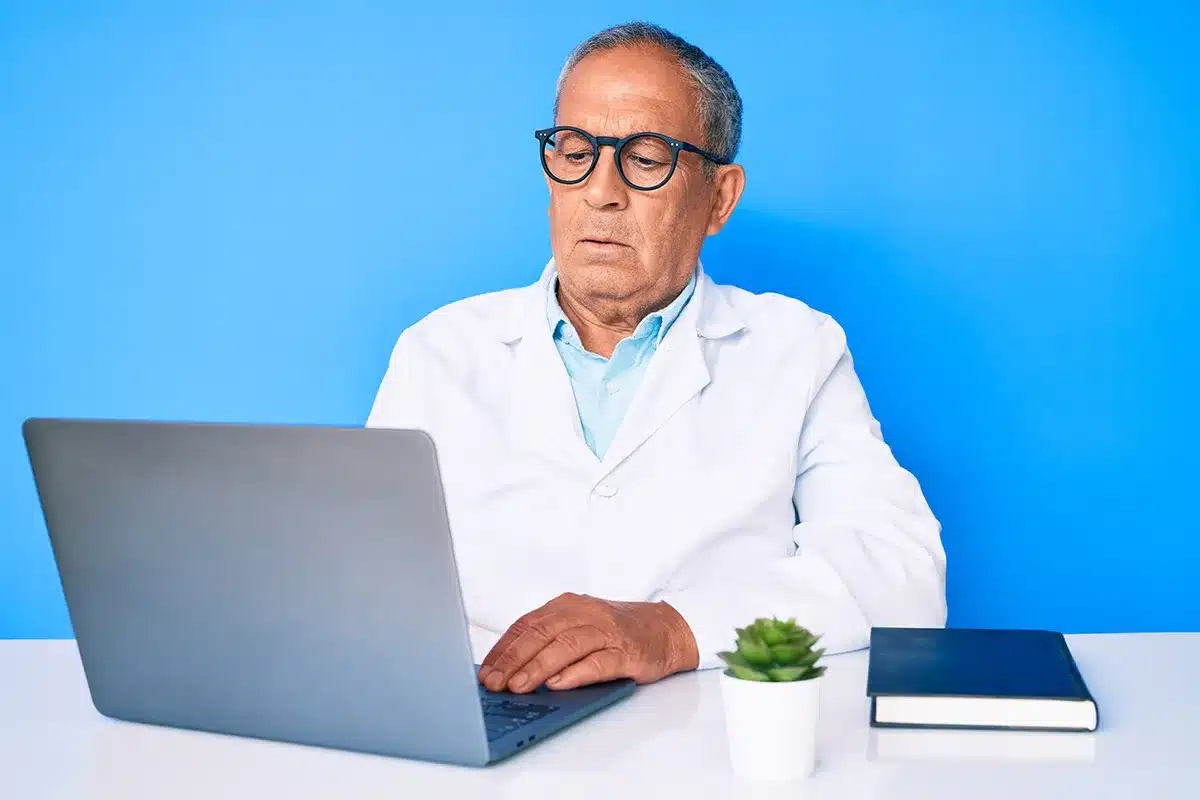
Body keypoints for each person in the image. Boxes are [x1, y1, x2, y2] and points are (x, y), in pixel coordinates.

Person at [366, 22, 946, 694]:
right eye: (576, 150)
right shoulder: (439, 352)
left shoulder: (796, 348)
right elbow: (362, 586)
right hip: (486, 739)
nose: (601, 190)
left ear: (719, 198)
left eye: (645, 159)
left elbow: (901, 573)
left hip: (710, 747)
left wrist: (672, 630)